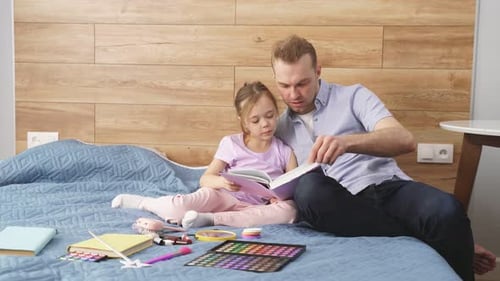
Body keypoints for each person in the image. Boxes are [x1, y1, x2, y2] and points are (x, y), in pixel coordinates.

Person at [271, 34, 496, 281]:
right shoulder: (277, 127)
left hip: (387, 188)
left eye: (302, 83)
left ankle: (447, 241)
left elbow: (403, 139)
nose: (293, 94)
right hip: (337, 206)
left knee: (447, 209)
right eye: (284, 86)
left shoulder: (353, 96)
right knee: (309, 189)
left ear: (318, 71)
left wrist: (347, 142)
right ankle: (437, 239)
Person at [112, 81, 298, 229]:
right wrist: (223, 182)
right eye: (256, 120)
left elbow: (294, 188)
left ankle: (211, 220)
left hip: (257, 207)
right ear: (244, 122)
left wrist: (280, 198)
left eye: (270, 115)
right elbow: (205, 178)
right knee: (178, 208)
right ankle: (145, 203)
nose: (265, 124)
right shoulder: (231, 143)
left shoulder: (285, 151)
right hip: (223, 196)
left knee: (290, 211)